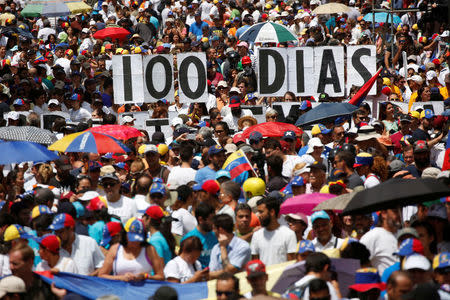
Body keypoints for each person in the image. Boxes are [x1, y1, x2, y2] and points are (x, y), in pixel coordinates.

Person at [98, 217, 164, 281]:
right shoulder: (115, 249)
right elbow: (101, 275)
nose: (135, 242)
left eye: (138, 239)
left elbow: (161, 276)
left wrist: (145, 276)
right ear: (125, 235)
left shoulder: (150, 250)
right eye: (132, 239)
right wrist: (121, 278)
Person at [251, 197, 297, 266]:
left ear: (272, 212)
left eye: (261, 212)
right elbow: (255, 263)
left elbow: (291, 263)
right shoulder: (256, 235)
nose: (258, 215)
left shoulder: (289, 234)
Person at [209, 214, 251, 278]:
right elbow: (210, 274)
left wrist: (223, 248)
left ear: (220, 230)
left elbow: (229, 271)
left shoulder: (243, 247)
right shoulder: (216, 248)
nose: (212, 232)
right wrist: (226, 271)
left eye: (214, 229)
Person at [360, 209, 401, 274]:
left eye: (400, 210)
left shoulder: (404, 235)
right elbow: (359, 265)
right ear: (384, 213)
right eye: (395, 211)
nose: (399, 214)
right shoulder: (371, 237)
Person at [181, 203, 218, 268]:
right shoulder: (189, 239)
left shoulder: (216, 235)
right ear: (200, 220)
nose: (214, 222)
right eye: (211, 219)